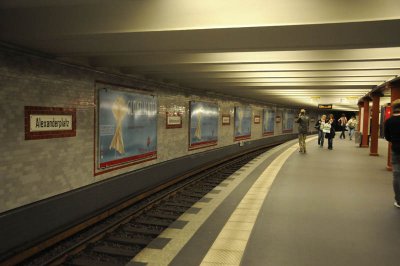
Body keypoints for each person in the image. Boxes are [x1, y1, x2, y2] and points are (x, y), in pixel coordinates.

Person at [384, 99, 400, 208]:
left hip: (396, 149)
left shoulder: (389, 121)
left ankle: (398, 200)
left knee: (397, 174)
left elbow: (387, 137)